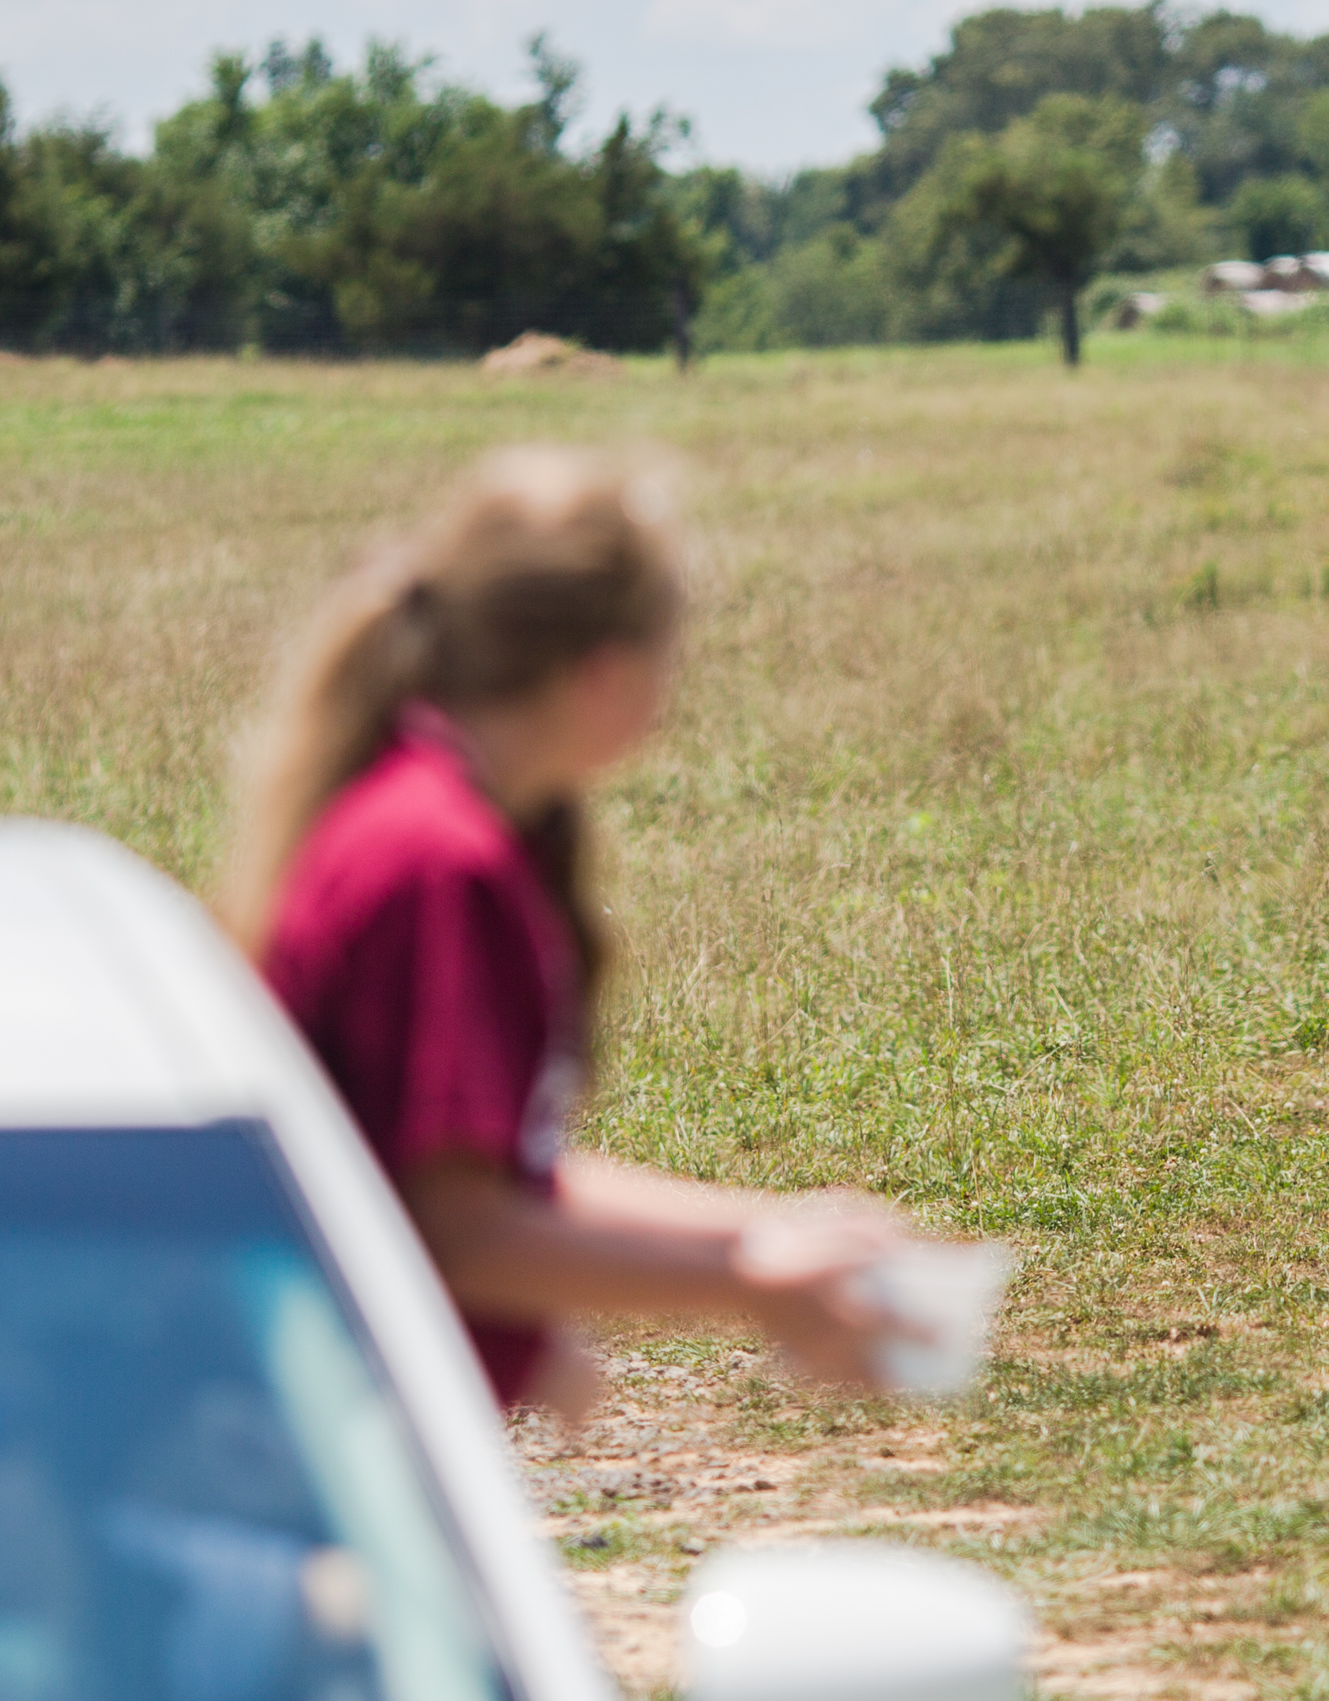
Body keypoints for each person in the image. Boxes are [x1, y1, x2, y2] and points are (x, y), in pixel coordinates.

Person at [220, 447, 905, 1428]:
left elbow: (477, 1174)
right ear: (603, 674)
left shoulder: (423, 820)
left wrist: (774, 1230)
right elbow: (459, 1230)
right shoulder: (436, 861)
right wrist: (754, 1283)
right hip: (315, 1442)